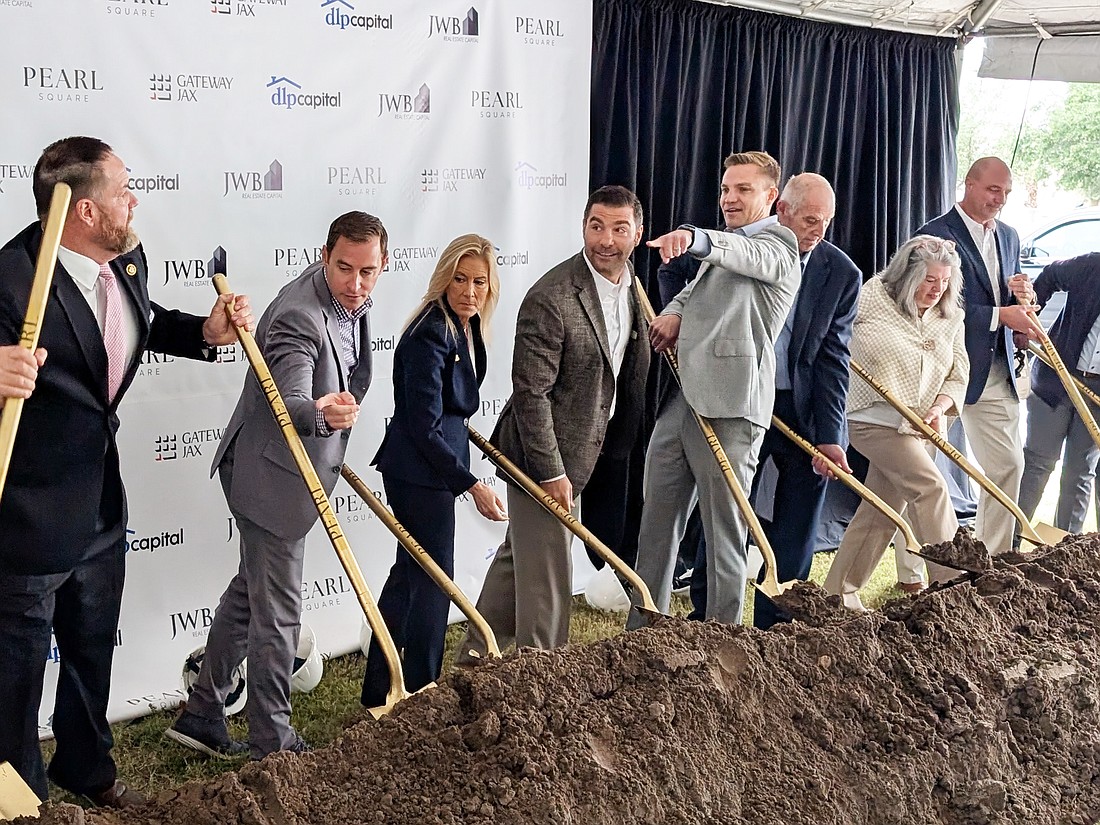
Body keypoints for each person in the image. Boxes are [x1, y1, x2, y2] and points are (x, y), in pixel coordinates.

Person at [0, 136, 252, 807]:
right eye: (121, 189)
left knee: (89, 651)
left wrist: (203, 331)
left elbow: (137, 323)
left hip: (102, 504)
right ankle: (21, 797)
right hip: (27, 513)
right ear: (83, 211)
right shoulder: (12, 280)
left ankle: (87, 771)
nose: (133, 199)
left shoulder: (126, 259)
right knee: (17, 672)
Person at [167, 212, 384, 761]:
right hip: (272, 478)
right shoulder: (297, 316)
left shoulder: (351, 302)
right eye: (344, 269)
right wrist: (319, 414)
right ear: (323, 254)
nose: (356, 285)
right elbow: (287, 399)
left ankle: (201, 713)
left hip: (293, 471)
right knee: (278, 614)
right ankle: (273, 744)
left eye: (368, 272)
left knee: (251, 594)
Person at [455, 186, 650, 659]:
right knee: (549, 583)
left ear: (638, 234)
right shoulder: (552, 296)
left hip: (586, 450)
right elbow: (531, 393)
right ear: (583, 226)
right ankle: (545, 678)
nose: (606, 239)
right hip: (540, 459)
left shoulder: (634, 288)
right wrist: (550, 472)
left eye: (619, 228)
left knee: (517, 561)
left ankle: (476, 658)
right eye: (596, 226)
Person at [631, 150, 801, 626]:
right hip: (683, 402)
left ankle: (726, 643)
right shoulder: (728, 244)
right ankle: (642, 636)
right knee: (656, 530)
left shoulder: (779, 245)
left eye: (743, 189)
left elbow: (743, 258)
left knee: (724, 535)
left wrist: (694, 237)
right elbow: (703, 289)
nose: (729, 198)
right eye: (725, 189)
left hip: (732, 410)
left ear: (772, 197)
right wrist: (675, 313)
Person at [360, 234, 507, 707]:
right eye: (459, 279)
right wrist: (472, 486)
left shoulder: (466, 326)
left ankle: (380, 690)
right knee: (433, 581)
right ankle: (423, 691)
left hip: (433, 465)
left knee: (409, 577)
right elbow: (424, 428)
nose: (468, 290)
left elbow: (452, 410)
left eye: (478, 281)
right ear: (444, 279)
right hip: (418, 471)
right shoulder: (430, 333)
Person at [823, 236, 968, 610]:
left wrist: (940, 406)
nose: (937, 289)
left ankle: (838, 593)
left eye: (944, 281)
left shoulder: (951, 316)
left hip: (921, 429)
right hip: (874, 420)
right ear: (908, 275)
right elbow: (837, 336)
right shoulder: (875, 296)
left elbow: (959, 371)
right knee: (930, 488)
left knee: (882, 509)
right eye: (928, 279)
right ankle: (956, 589)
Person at [748, 173, 861, 629]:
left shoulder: (842, 273)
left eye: (827, 222)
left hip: (802, 404)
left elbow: (835, 361)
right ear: (783, 212)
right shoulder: (749, 250)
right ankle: (709, 614)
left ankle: (777, 626)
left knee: (800, 519)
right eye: (811, 219)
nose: (819, 230)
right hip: (745, 396)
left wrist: (831, 439)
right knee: (730, 510)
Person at [917, 157, 1043, 555]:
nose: (1000, 200)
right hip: (938, 369)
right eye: (993, 190)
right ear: (968, 185)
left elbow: (1005, 298)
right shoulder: (931, 235)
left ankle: (992, 560)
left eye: (1005, 192)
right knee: (917, 474)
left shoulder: (1009, 235)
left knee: (1008, 467)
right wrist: (997, 315)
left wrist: (1022, 301)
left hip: (994, 369)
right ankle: (914, 569)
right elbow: (925, 306)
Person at [1017, 252, 1100, 532]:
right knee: (1037, 464)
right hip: (1056, 379)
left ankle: (1065, 549)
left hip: (1097, 398)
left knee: (1080, 472)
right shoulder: (1091, 266)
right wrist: (1027, 316)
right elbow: (1051, 274)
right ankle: (1009, 542)